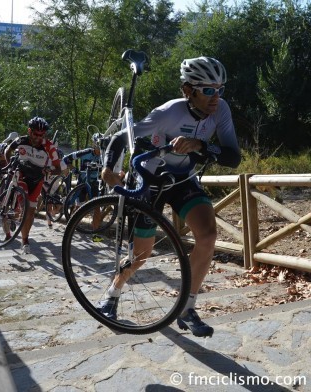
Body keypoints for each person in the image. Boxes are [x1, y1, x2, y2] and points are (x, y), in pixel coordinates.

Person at [100, 56, 241, 338]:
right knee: (142, 254)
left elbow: (233, 158)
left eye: (220, 89)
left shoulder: (220, 110)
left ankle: (186, 308)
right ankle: (113, 293)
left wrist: (201, 145)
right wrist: (108, 169)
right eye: (208, 90)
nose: (216, 97)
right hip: (150, 179)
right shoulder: (168, 113)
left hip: (181, 178)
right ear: (188, 90)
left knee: (208, 236)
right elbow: (118, 139)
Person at [5, 116, 61, 254]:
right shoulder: (21, 140)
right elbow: (8, 151)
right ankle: (23, 234)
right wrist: (9, 167)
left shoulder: (49, 146)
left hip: (37, 180)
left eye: (42, 135)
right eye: (36, 134)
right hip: (22, 176)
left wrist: (49, 169)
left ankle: (25, 239)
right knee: (25, 205)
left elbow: (58, 168)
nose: (38, 137)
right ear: (29, 131)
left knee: (30, 212)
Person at [63, 134, 102, 241]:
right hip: (82, 183)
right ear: (94, 145)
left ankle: (95, 235)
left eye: (101, 146)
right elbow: (66, 159)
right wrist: (75, 170)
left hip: (94, 184)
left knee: (97, 208)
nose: (100, 148)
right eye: (98, 146)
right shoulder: (86, 152)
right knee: (78, 208)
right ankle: (70, 227)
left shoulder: (104, 156)